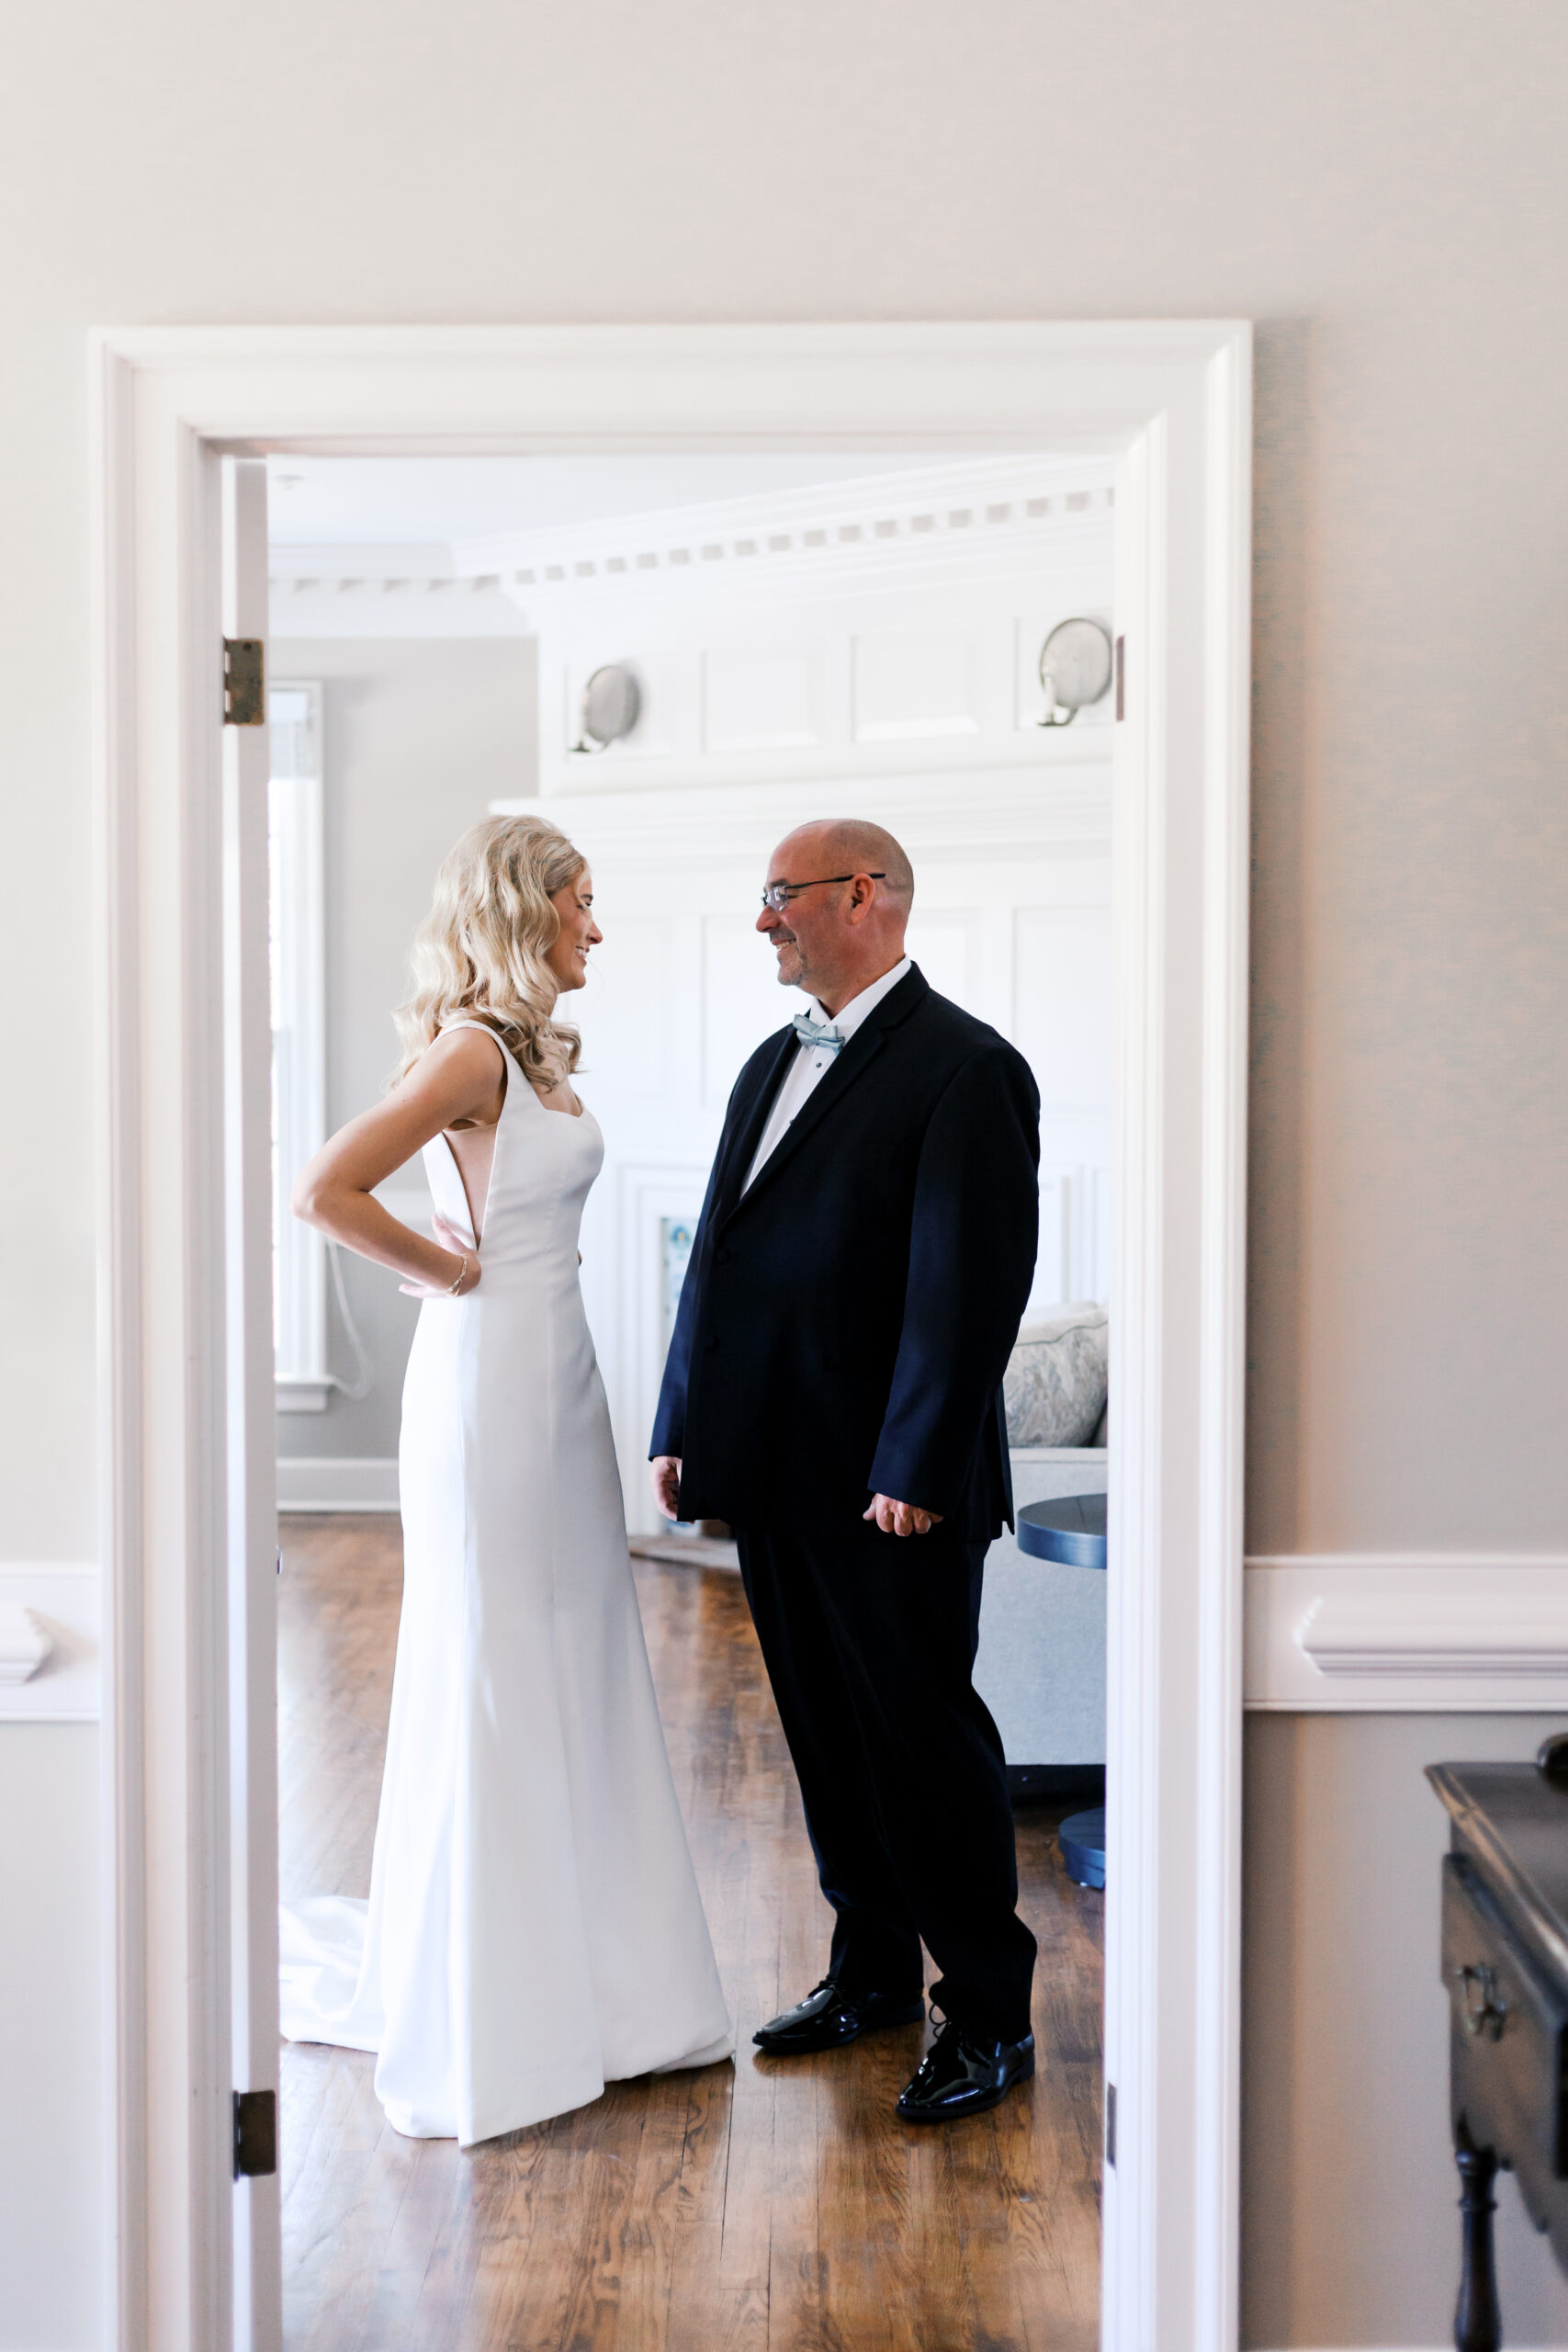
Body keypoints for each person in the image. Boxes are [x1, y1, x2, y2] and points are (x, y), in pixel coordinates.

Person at [281, 813, 732, 2147]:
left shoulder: (529, 1052)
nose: (597, 925)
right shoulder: (471, 1047)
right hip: (488, 1382)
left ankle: (605, 1990)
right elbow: (323, 1188)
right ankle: (503, 2006)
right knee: (500, 1661)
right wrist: (453, 1273)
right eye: (581, 902)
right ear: (523, 911)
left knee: (575, 1654)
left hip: (558, 1375)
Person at [650, 820, 1041, 2125]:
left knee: (922, 1742)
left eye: (781, 897)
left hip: (893, 1484)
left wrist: (917, 1460)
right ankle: (867, 1969)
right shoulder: (772, 1060)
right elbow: (719, 1254)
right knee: (822, 1735)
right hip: (769, 1464)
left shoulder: (968, 1067)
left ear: (862, 895)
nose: (764, 921)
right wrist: (682, 1419)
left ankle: (987, 2013)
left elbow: (965, 1289)